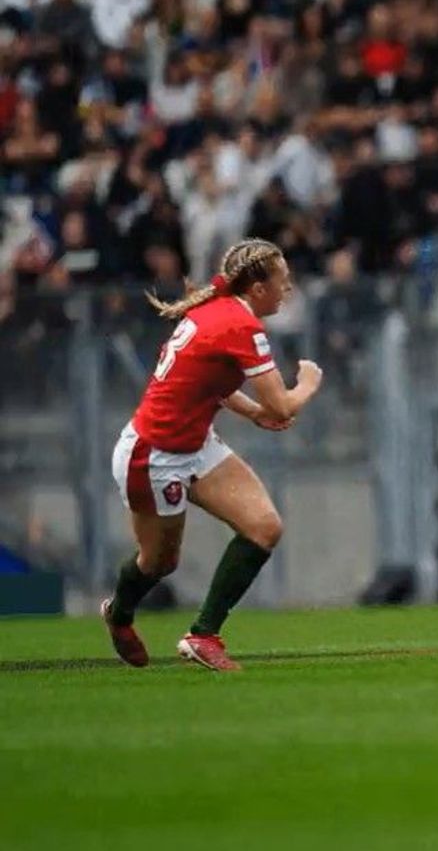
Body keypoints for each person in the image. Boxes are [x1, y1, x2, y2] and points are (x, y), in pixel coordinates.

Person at [99, 239, 324, 672]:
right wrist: (309, 383)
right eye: (283, 282)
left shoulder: (221, 313)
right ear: (258, 288)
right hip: (154, 454)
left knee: (263, 527)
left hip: (194, 442)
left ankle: (203, 635)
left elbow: (211, 382)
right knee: (160, 562)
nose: (288, 290)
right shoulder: (241, 325)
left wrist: (254, 413)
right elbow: (283, 405)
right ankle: (120, 613)